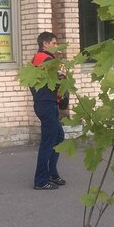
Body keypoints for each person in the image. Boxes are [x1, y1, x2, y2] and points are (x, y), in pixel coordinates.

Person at [30, 31, 66, 191]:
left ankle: (52, 173)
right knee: (48, 142)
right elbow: (57, 81)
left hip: (44, 103)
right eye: (54, 43)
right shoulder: (47, 60)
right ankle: (41, 180)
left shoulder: (36, 58)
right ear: (45, 44)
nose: (56, 46)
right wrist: (63, 76)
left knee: (58, 136)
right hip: (46, 103)